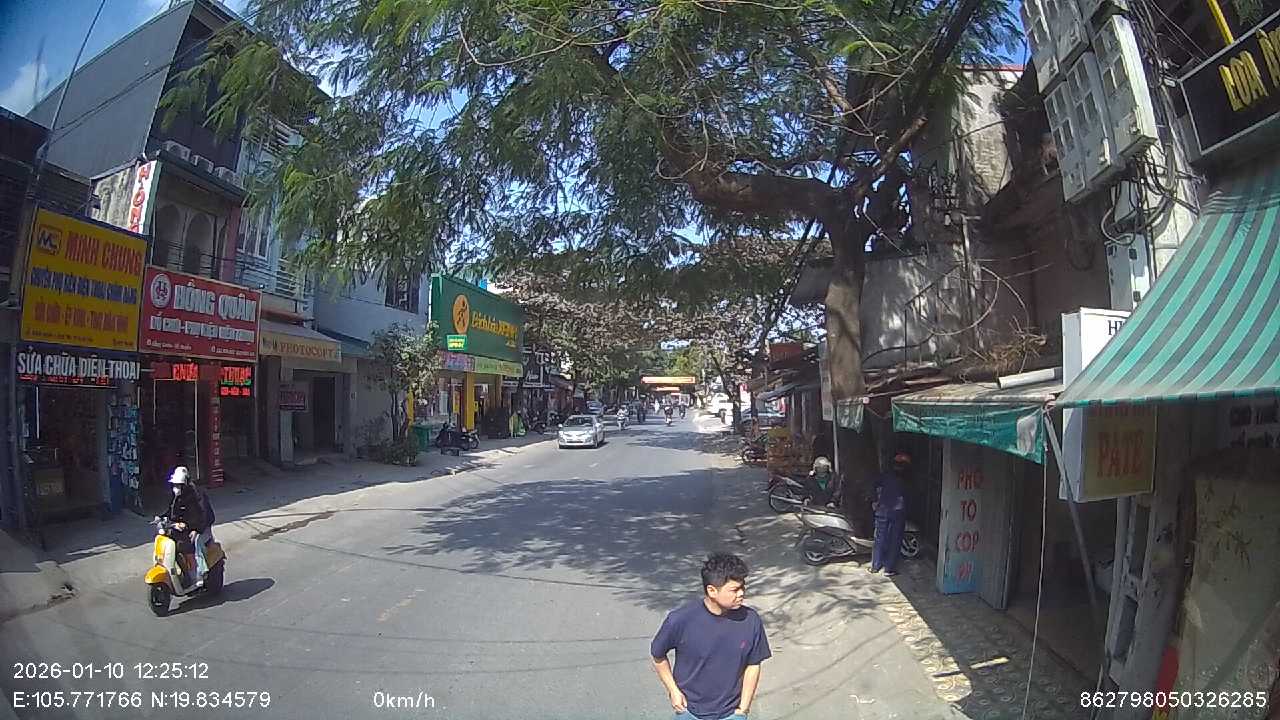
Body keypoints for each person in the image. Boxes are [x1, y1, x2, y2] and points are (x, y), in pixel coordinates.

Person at [651, 553, 771, 719]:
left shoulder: (750, 620)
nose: (741, 593)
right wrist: (673, 691)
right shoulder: (681, 620)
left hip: (731, 714)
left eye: (743, 587)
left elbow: (753, 664)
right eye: (734, 590)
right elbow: (658, 655)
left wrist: (743, 709)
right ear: (712, 591)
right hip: (690, 711)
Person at [166, 466, 214, 587]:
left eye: (179, 485)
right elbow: (172, 511)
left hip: (203, 528)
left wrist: (195, 529)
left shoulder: (197, 494)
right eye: (175, 485)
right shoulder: (177, 496)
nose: (176, 487)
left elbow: (203, 515)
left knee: (195, 542)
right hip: (187, 527)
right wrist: (164, 519)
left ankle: (199, 574)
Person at [871, 451, 910, 576]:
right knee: (895, 539)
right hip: (897, 512)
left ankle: (875, 566)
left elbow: (873, 485)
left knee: (880, 538)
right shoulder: (906, 479)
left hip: (883, 510)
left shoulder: (885, 475)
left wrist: (874, 501)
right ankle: (889, 568)